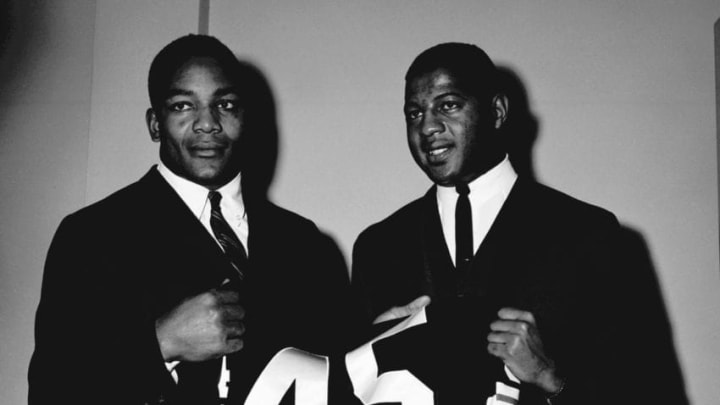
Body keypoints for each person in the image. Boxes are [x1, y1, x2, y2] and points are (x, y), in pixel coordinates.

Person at [28, 34, 352, 405]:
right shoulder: (91, 236)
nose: (208, 123)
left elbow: (336, 382)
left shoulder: (306, 243)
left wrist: (377, 344)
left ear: (245, 117)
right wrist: (160, 342)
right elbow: (50, 391)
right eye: (183, 106)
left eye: (225, 104)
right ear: (154, 124)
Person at [350, 42, 625, 404]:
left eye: (448, 105)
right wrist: (364, 358)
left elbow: (647, 390)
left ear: (496, 112)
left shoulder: (588, 235)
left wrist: (551, 377)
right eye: (414, 113)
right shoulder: (377, 247)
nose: (428, 126)